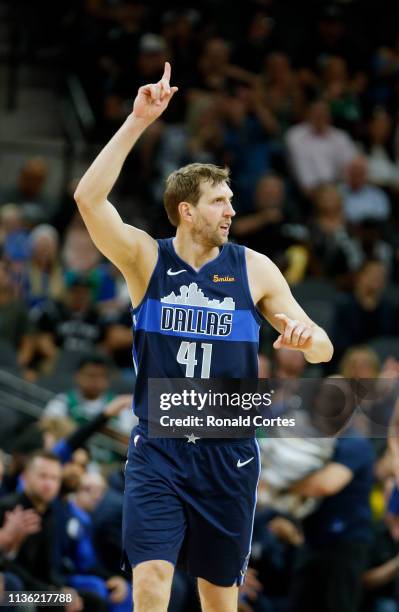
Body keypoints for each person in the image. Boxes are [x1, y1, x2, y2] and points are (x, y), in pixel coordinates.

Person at [74, 62, 333, 612]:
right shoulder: (146, 259)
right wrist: (137, 121)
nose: (232, 211)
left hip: (228, 451)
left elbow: (323, 346)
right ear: (187, 210)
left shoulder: (255, 267)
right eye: (221, 201)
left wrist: (307, 338)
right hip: (159, 447)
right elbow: (88, 201)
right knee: (150, 585)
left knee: (219, 601)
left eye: (233, 201)